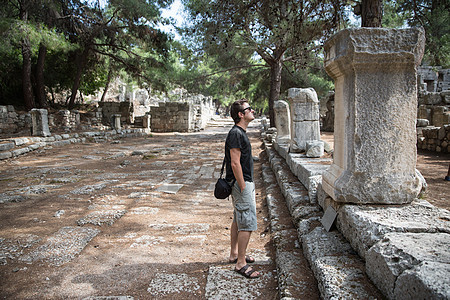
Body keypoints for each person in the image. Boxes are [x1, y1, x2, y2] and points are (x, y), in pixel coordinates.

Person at [225, 99, 260, 279]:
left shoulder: (239, 132)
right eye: (249, 109)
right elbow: (235, 163)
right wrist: (243, 186)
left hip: (242, 183)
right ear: (241, 114)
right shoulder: (236, 134)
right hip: (242, 184)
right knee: (247, 221)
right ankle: (241, 264)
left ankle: (235, 253)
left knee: (239, 218)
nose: (252, 111)